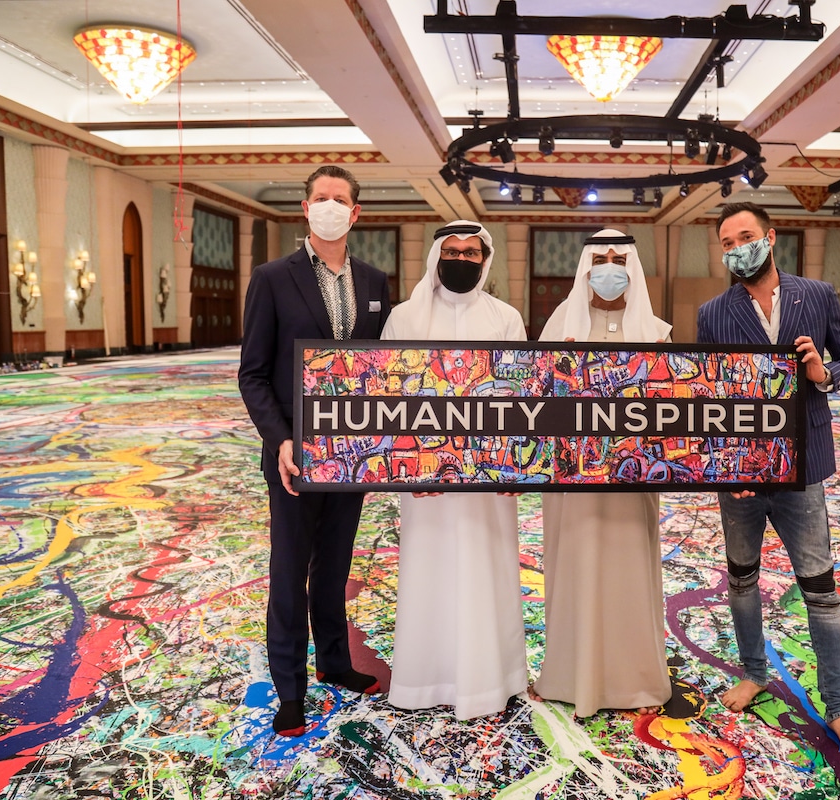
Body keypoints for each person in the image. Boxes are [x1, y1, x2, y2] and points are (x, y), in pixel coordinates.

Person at [696, 201, 840, 761]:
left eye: (744, 237)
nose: (736, 249)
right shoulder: (713, 313)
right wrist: (724, 465)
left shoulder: (816, 296)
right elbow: (706, 396)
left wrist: (824, 374)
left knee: (820, 589)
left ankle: (838, 707)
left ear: (770, 238)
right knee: (742, 581)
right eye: (727, 243)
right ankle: (754, 672)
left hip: (803, 469)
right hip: (742, 476)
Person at [238, 165, 392, 736]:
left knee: (335, 563)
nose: (330, 206)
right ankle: (290, 689)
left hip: (351, 453)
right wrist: (280, 440)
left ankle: (333, 660)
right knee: (289, 570)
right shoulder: (272, 278)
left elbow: (380, 370)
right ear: (306, 208)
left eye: (340, 199)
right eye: (320, 198)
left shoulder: (374, 282)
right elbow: (253, 374)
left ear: (355, 213)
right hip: (293, 457)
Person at [381, 220, 528, 720]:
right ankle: (424, 680)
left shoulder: (505, 317)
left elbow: (518, 401)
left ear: (484, 260)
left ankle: (492, 681)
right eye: (452, 252)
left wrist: (513, 469)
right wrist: (405, 470)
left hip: (489, 483)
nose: (461, 260)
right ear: (436, 258)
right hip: (426, 483)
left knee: (488, 570)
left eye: (470, 253)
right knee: (430, 570)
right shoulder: (405, 317)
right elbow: (388, 397)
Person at [530, 230, 673, 717]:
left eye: (619, 260)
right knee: (576, 563)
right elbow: (536, 404)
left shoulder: (656, 331)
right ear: (585, 268)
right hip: (573, 484)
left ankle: (635, 681)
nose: (610, 269)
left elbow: (670, 409)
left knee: (628, 569)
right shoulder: (559, 326)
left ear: (633, 267)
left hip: (632, 481)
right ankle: (570, 675)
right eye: (600, 260)